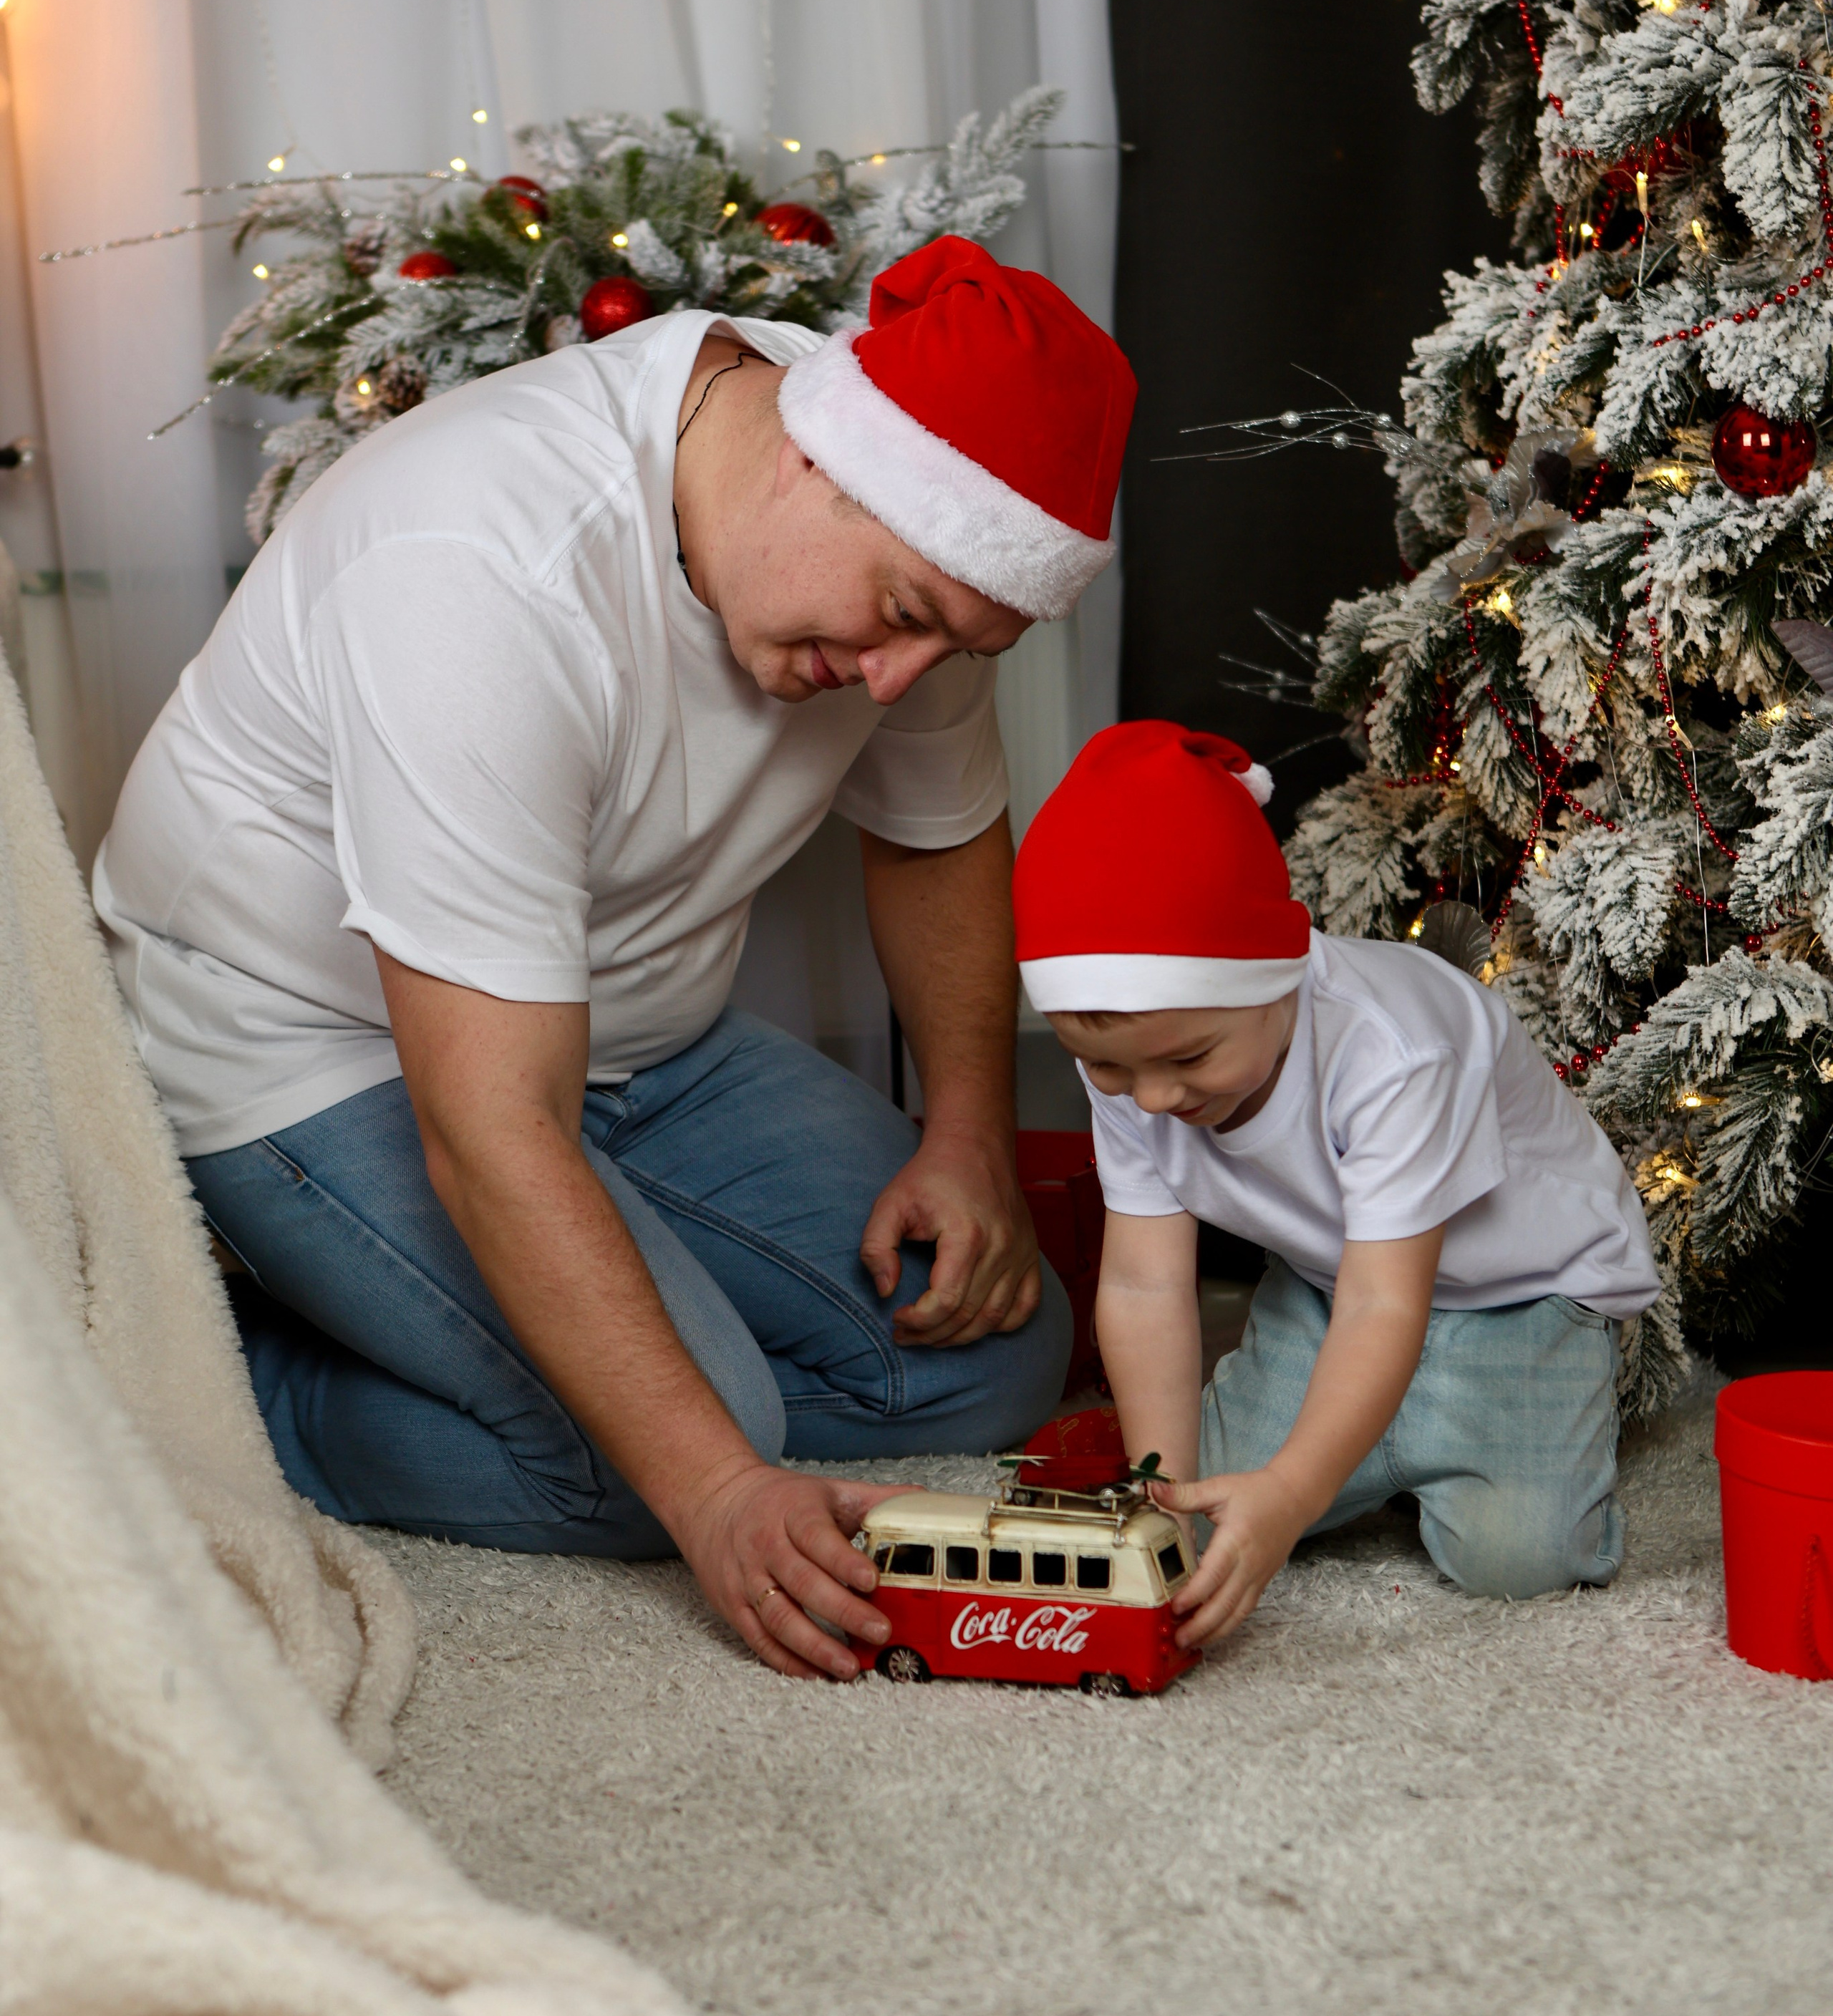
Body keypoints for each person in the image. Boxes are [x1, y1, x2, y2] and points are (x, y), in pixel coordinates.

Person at [95, 236, 1136, 1683]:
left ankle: (484, 1327)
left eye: (956, 651)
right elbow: (493, 1127)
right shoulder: (477, 569)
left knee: (986, 1355)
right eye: (900, 619)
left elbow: (938, 837)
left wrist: (963, 1135)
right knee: (651, 1461)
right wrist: (710, 1484)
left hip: (628, 1035)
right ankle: (238, 1395)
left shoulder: (909, 559)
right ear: (807, 460)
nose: (900, 682)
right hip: (313, 1043)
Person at [1011, 720, 1661, 1651]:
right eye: (1108, 1070)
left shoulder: (1393, 1049)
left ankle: (1529, 1407)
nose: (1152, 1098)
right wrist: (1165, 1499)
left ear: (1278, 975)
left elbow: (1383, 1309)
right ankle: (1392, 1444)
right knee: (1216, 1502)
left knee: (1517, 1560)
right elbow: (1145, 1283)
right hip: (1331, 1285)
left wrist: (1291, 1496)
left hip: (1518, 1295)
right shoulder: (1130, 1053)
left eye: (1190, 1058)